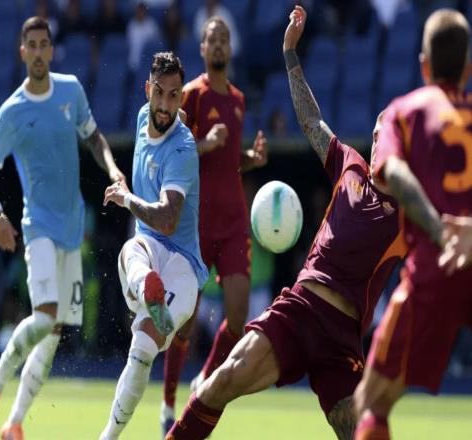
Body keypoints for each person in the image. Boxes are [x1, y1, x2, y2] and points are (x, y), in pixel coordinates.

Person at [165, 6, 406, 439]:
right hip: (300, 309)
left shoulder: (408, 211)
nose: (376, 140)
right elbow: (312, 121)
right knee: (220, 381)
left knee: (360, 430)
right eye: (374, 132)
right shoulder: (350, 165)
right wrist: (290, 54)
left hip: (342, 341)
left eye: (385, 134)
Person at [0, 16, 125, 440]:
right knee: (44, 316)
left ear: (51, 50)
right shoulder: (12, 111)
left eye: (45, 44)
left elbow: (94, 137)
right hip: (37, 225)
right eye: (33, 45)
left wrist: (113, 169)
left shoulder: (70, 90)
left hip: (72, 229)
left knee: (54, 332)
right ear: (23, 52)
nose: (39, 52)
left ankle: (14, 422)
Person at [353, 9, 472, 440]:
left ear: (424, 64)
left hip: (434, 267)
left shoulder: (404, 112)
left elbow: (394, 173)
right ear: (467, 67)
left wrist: (440, 231)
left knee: (371, 403)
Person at [159, 16, 268, 435]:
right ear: (202, 49)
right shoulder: (192, 95)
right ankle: (168, 404)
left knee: (238, 317)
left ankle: (204, 379)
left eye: (224, 39)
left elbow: (229, 161)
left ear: (229, 47)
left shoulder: (238, 99)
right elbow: (172, 151)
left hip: (234, 221)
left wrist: (251, 159)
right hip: (198, 224)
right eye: (212, 40)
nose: (219, 45)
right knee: (185, 322)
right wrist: (205, 142)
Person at [98, 51, 208, 440]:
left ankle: (149, 292)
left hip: (182, 267)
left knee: (143, 349)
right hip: (148, 251)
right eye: (159, 93)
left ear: (181, 97)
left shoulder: (183, 148)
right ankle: (147, 287)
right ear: (147, 90)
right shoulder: (143, 116)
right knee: (132, 249)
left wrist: (126, 198)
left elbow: (168, 219)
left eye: (174, 96)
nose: (164, 104)